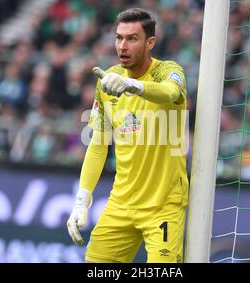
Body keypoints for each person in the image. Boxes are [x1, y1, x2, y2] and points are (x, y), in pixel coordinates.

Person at [67, 7, 189, 263]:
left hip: (163, 206)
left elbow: (170, 93)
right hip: (121, 203)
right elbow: (98, 145)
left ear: (150, 42)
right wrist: (82, 199)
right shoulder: (108, 82)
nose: (122, 45)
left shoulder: (168, 71)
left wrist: (135, 86)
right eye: (118, 37)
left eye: (132, 38)